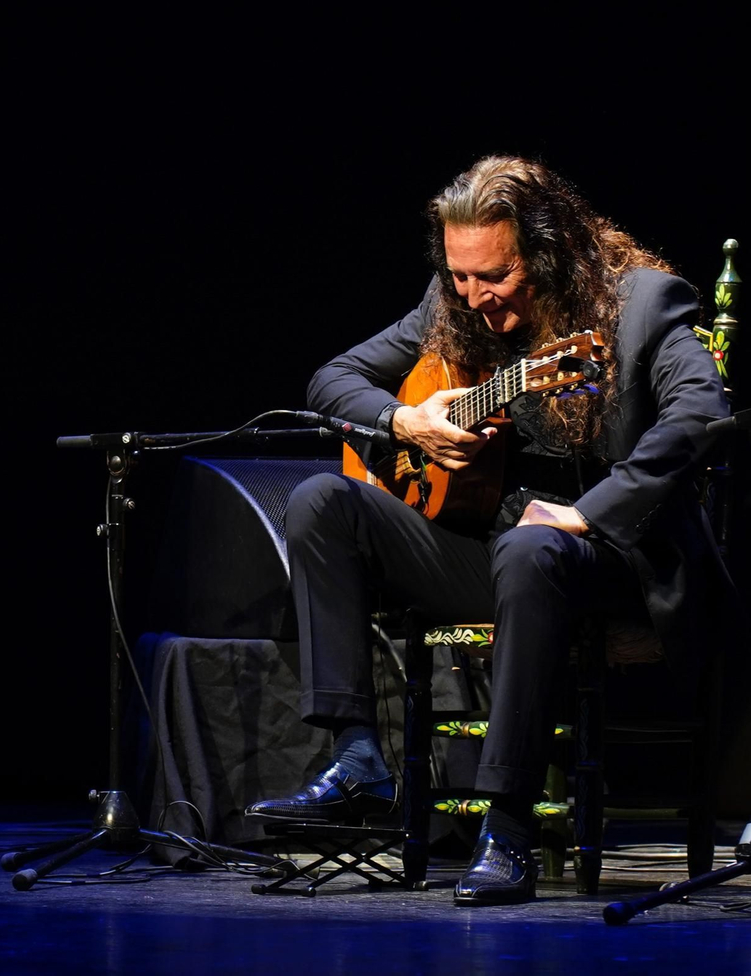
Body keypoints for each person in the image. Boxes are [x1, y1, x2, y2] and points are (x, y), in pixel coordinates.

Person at [245, 156, 733, 905]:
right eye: (460, 276)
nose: (475, 298)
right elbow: (332, 378)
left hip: (614, 562)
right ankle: (356, 758)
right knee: (321, 500)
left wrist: (588, 511)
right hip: (496, 553)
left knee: (533, 548)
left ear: (550, 250)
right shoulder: (452, 301)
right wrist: (407, 418)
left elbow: (702, 415)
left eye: (495, 277)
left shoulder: (638, 304)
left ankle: (506, 832)